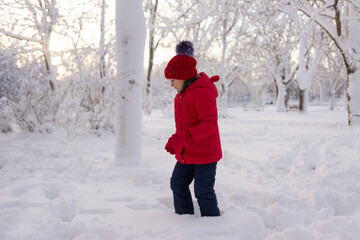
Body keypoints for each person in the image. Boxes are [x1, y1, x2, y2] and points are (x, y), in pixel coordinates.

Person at [164, 41, 222, 217]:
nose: (172, 84)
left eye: (173, 80)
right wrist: (176, 141)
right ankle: (184, 219)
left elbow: (209, 124)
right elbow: (184, 125)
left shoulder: (202, 92)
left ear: (184, 76)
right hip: (187, 152)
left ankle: (213, 226)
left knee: (203, 191)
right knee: (177, 183)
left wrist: (184, 138)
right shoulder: (181, 96)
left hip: (205, 153)